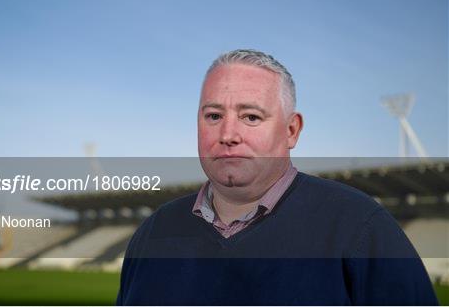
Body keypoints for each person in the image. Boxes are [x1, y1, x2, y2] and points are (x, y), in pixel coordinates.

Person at [116, 49, 438, 305]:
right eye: (214, 116)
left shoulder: (360, 228)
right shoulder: (152, 233)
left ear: (291, 130)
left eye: (251, 116)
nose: (228, 134)